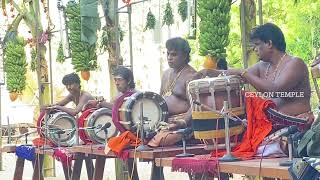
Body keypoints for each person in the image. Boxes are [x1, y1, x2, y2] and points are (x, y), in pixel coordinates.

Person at [197, 23, 312, 121]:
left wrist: (243, 73)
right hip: (270, 123)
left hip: (297, 122)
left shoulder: (295, 63)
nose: (254, 49)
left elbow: (275, 90)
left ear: (269, 44)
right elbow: (236, 74)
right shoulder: (263, 66)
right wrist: (209, 72)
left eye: (257, 44)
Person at [148, 37, 197, 147]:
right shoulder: (166, 74)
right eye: (168, 54)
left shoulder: (191, 76)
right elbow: (159, 100)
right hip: (164, 123)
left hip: (184, 126)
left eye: (174, 55)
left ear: (184, 56)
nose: (169, 58)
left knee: (160, 140)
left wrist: (183, 121)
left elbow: (196, 105)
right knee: (140, 135)